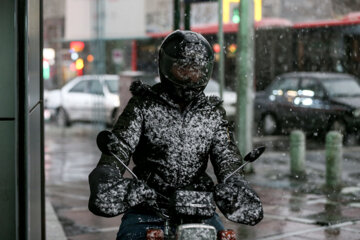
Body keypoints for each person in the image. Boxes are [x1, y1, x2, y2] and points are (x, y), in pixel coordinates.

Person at [88, 30, 263, 240]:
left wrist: (235, 187)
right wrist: (108, 176)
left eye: (197, 70)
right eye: (183, 69)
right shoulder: (143, 106)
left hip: (198, 208)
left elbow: (228, 159)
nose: (190, 76)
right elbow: (119, 147)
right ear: (166, 66)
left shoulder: (212, 113)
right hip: (148, 209)